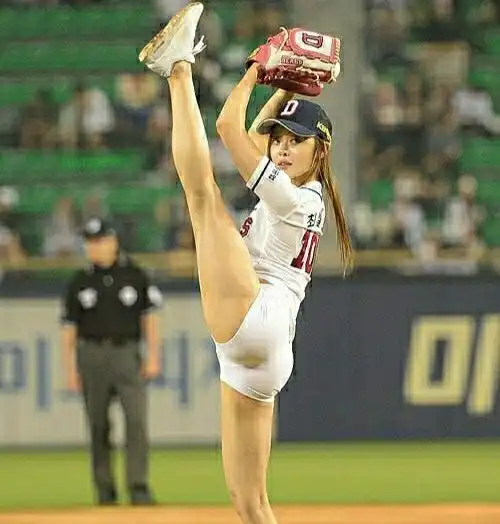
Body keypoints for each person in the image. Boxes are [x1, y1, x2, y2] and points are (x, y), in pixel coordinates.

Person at [139, 4, 353, 523]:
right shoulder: (299, 193)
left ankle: (178, 68)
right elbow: (254, 137)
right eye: (281, 139)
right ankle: (176, 67)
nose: (282, 149)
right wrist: (286, 89)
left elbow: (229, 127)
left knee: (202, 196)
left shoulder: (297, 199)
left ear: (321, 151)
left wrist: (259, 69)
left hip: (258, 314)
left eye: (296, 141)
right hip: (265, 348)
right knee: (250, 504)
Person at [60, 217, 161, 506]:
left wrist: (153, 355)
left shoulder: (135, 275)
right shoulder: (79, 281)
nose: (93, 247)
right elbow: (68, 329)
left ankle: (138, 486)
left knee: (136, 421)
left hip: (126, 353)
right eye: (89, 242)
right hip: (91, 355)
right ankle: (105, 490)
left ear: (113, 242)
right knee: (98, 425)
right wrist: (70, 369)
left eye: (98, 241)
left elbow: (150, 318)